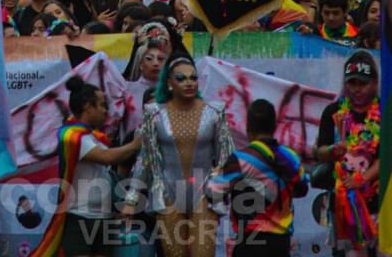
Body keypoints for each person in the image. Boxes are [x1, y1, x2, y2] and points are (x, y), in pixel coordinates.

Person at [124, 53, 234, 257]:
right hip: (168, 193)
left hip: (204, 194)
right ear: (169, 83)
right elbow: (145, 159)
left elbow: (226, 157)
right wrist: (131, 199)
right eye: (181, 78)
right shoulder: (154, 113)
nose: (189, 83)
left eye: (193, 78)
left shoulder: (214, 111)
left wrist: (218, 185)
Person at [32, 75, 141, 257]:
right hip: (80, 218)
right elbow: (106, 157)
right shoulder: (72, 136)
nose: (106, 111)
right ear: (88, 107)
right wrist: (136, 144)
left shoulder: (94, 137)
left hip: (103, 218)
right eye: (102, 105)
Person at [207, 99, 308, 257]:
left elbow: (213, 192)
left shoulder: (240, 159)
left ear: (248, 129)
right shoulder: (291, 157)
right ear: (275, 127)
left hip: (250, 242)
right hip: (281, 244)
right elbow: (302, 189)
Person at [315, 51, 380, 256]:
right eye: (352, 83)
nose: (357, 89)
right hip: (344, 208)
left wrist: (364, 178)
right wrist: (332, 150)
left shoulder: (385, 112)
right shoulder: (333, 111)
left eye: (363, 83)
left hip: (379, 203)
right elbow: (318, 152)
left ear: (375, 83)